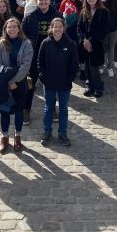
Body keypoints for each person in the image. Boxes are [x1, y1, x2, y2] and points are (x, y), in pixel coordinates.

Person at [0, 18, 33, 153]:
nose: (12, 29)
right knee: (4, 111)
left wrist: (14, 81)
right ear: (5, 29)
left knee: (19, 111)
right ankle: (4, 137)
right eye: (9, 27)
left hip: (20, 84)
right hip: (4, 84)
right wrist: (8, 82)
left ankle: (17, 136)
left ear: (19, 28)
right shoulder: (0, 44)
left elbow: (25, 65)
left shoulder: (26, 44)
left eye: (14, 27)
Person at [38, 18, 79, 146]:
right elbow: (40, 62)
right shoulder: (45, 43)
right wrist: (43, 77)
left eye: (60, 26)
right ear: (51, 28)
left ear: (64, 28)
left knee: (63, 109)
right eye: (55, 27)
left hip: (64, 84)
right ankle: (47, 132)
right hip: (49, 83)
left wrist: (69, 79)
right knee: (48, 108)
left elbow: (75, 64)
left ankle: (62, 133)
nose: (58, 29)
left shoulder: (70, 44)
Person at [21, 0, 60, 124]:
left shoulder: (57, 15)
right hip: (33, 56)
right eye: (40, 0)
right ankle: (26, 109)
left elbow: (63, 34)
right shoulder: (30, 17)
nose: (43, 2)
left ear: (49, 0)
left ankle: (52, 108)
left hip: (51, 55)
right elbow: (22, 37)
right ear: (36, 1)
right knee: (30, 84)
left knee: (51, 83)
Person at [77, 0, 109, 98]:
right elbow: (79, 28)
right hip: (85, 44)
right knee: (86, 66)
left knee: (94, 67)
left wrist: (90, 40)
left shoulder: (103, 11)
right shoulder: (83, 11)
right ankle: (89, 86)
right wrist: (84, 40)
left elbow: (103, 29)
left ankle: (98, 87)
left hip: (96, 44)